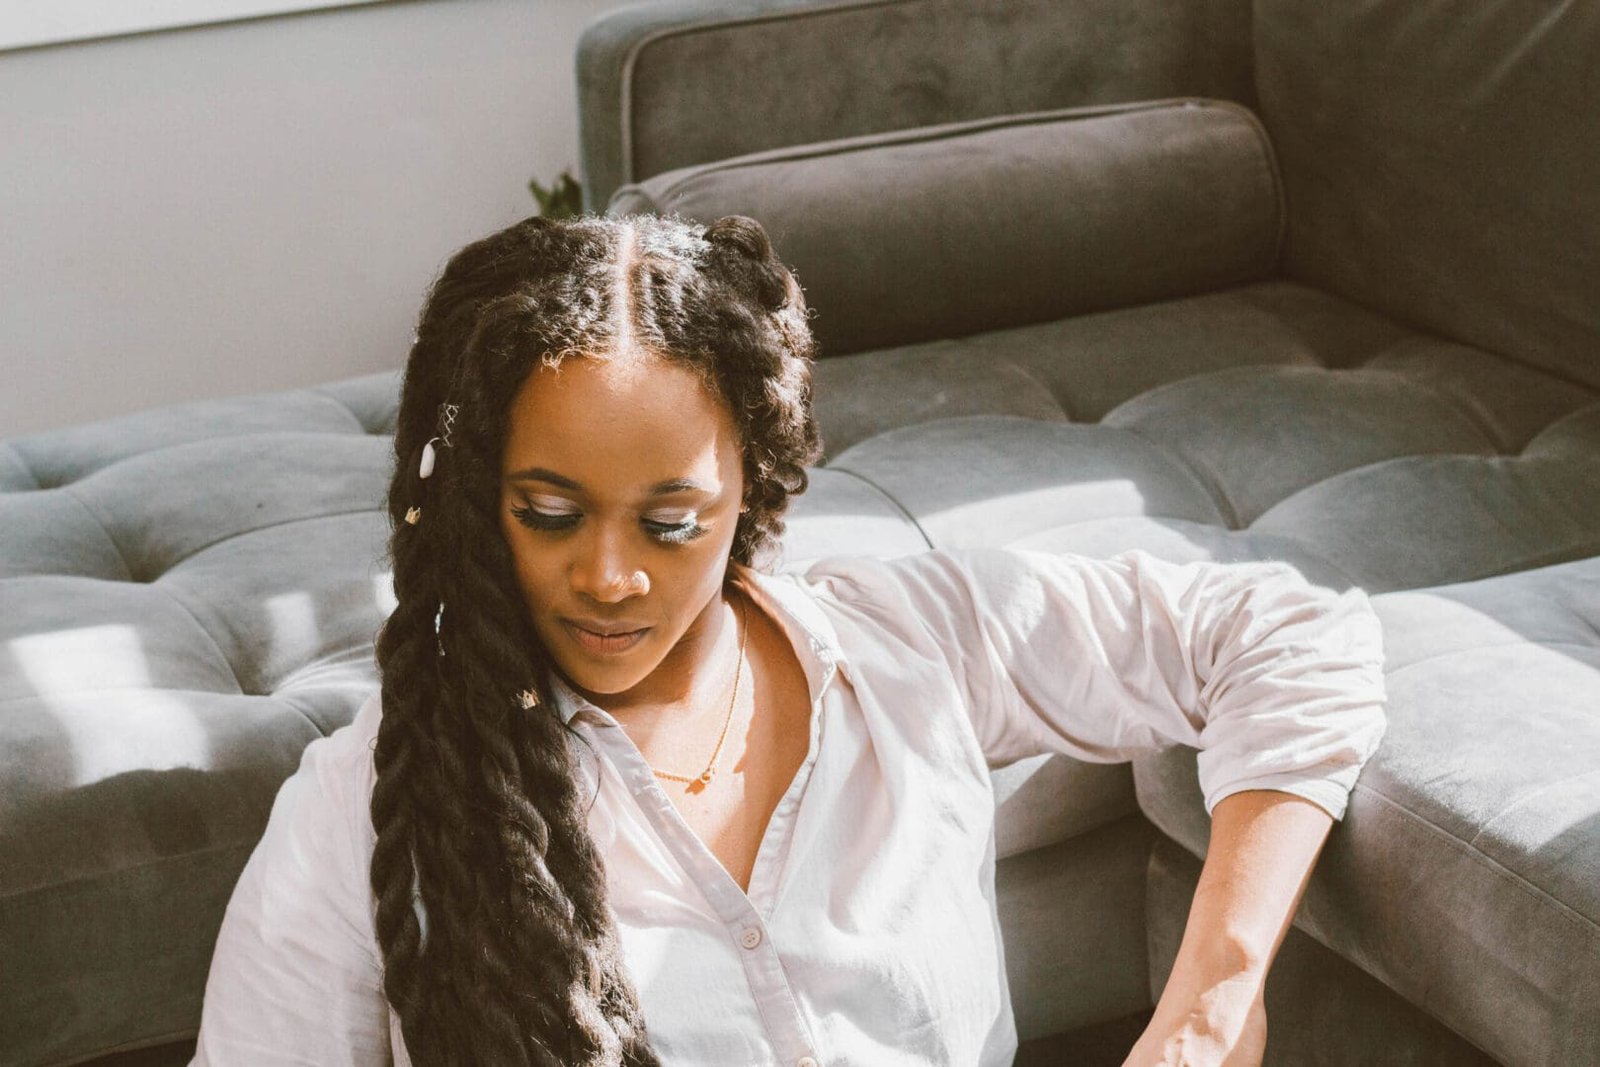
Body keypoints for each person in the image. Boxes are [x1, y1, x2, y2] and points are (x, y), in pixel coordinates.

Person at [190, 212, 1387, 1067]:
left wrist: (1213, 1000)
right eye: (547, 513)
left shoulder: (915, 642)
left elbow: (1288, 630)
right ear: (471, 501)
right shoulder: (363, 811)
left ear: (754, 494)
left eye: (671, 522)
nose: (608, 575)